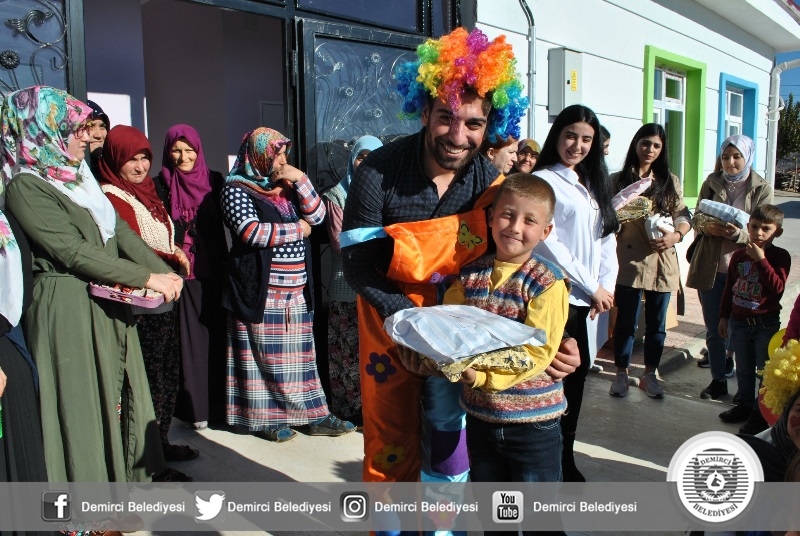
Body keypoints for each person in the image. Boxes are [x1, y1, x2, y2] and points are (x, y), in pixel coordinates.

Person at [342, 27, 579, 486]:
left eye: (473, 124)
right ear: (424, 111)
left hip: (464, 332)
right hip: (388, 321)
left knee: (450, 441)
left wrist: (556, 337)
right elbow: (357, 265)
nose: (458, 135)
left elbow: (512, 263)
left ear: (489, 126)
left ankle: (442, 521)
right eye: (446, 117)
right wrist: (412, 326)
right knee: (389, 443)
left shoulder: (489, 183)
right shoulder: (378, 173)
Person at [1, 86, 185, 482]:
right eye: (76, 129)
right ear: (44, 131)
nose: (87, 136)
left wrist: (162, 271)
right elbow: (71, 251)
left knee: (116, 396)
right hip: (66, 307)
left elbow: (120, 232)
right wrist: (145, 277)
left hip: (103, 301)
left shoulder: (78, 179)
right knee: (81, 405)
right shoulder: (26, 186)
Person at [222, 127, 354, 442]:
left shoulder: (286, 186)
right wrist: (298, 230)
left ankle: (314, 416)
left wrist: (302, 180)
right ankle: (265, 420)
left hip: (296, 289)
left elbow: (318, 217)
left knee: (301, 359)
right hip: (261, 289)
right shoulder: (236, 189)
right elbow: (251, 232)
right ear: (257, 156)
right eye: (276, 154)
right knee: (263, 358)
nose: (282, 161)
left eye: (284, 154)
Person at [444, 173, 569, 488]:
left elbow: (538, 351)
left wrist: (482, 377)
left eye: (529, 220)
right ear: (490, 217)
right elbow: (449, 327)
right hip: (480, 418)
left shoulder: (546, 281)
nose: (514, 227)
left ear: (546, 231)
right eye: (507, 215)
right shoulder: (470, 274)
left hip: (533, 423)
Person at [98, 125, 199, 463]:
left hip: (162, 299)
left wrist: (174, 250)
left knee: (165, 377)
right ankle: (146, 458)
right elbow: (132, 246)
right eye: (131, 159)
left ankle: (160, 444)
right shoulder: (113, 196)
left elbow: (159, 236)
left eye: (144, 158)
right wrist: (170, 257)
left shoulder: (147, 192)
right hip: (139, 305)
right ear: (116, 159)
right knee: (147, 381)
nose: (140, 166)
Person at [533, 103, 619, 482]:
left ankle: (565, 454)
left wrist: (606, 287)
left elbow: (606, 238)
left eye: (586, 139)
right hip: (557, 294)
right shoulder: (544, 181)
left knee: (578, 377)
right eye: (570, 136)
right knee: (555, 377)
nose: (577, 145)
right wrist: (591, 285)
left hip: (587, 300)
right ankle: (551, 457)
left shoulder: (591, 184)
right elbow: (550, 243)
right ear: (557, 136)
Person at [686, 134, 773, 401]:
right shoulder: (711, 183)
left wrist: (738, 235)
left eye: (737, 157)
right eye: (725, 157)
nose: (730, 162)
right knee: (715, 330)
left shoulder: (761, 188)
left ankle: (744, 391)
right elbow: (697, 218)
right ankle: (718, 380)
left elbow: (766, 229)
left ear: (748, 157)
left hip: (745, 270)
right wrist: (707, 226)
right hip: (711, 268)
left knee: (741, 331)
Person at [154, 124, 229, 431]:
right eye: (176, 150)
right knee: (188, 344)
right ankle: (195, 409)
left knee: (217, 339)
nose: (183, 157)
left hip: (214, 273)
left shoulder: (215, 181)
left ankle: (220, 408)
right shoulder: (160, 185)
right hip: (181, 277)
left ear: (199, 151)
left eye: (189, 150)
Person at [608, 123, 691, 399]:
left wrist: (676, 236)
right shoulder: (618, 180)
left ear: (662, 149)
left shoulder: (669, 181)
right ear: (636, 144)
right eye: (645, 143)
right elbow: (605, 217)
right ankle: (621, 373)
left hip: (661, 259)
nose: (650, 150)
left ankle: (649, 374)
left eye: (656, 145)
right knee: (626, 322)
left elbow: (683, 215)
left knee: (657, 325)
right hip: (629, 261)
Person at [322, 135, 383, 427]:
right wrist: (380, 237)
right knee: (345, 354)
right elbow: (339, 241)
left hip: (378, 289)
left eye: (373, 156)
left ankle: (376, 408)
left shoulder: (386, 190)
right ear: (352, 159)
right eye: (361, 156)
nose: (366, 162)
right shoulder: (337, 195)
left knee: (376, 353)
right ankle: (349, 411)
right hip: (345, 285)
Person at [718, 204, 790, 434]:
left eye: (766, 228)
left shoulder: (780, 257)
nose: (759, 233)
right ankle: (745, 405)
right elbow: (729, 288)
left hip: (764, 324)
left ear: (777, 232)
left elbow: (777, 288)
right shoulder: (739, 256)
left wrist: (761, 260)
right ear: (748, 227)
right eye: (754, 227)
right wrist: (723, 316)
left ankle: (760, 414)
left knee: (764, 371)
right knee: (744, 368)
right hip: (739, 322)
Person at [86, 99, 109, 177]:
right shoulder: (68, 172)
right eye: (91, 126)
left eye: (102, 126)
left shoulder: (111, 171)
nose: (99, 135)